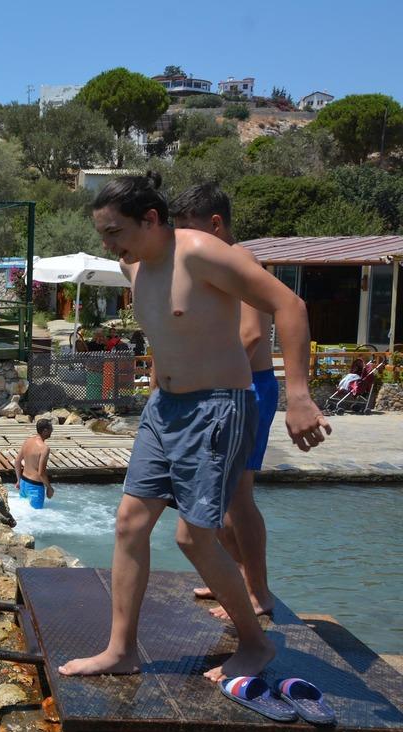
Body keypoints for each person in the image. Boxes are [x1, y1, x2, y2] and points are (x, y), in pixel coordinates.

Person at [58, 173, 330, 682]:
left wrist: (298, 396)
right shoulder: (133, 267)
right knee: (129, 525)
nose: (107, 244)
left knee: (194, 539)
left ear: (151, 219)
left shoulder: (202, 251)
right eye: (102, 233)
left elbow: (289, 305)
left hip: (216, 409)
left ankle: (255, 643)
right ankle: (122, 649)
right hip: (163, 410)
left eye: (114, 231)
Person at [172, 182, 279, 619]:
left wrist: (212, 381)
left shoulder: (241, 260)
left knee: (238, 495)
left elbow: (252, 334)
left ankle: (258, 592)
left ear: (215, 224)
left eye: (189, 231)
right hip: (225, 387)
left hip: (248, 387)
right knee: (218, 493)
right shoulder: (214, 266)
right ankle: (234, 579)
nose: (184, 243)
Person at [14, 419, 55, 509]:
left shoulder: (28, 441)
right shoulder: (44, 449)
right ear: (45, 430)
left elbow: (17, 461)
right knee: (36, 517)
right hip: (35, 487)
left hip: (23, 483)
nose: (52, 430)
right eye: (51, 428)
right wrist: (49, 488)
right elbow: (41, 473)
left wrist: (18, 480)